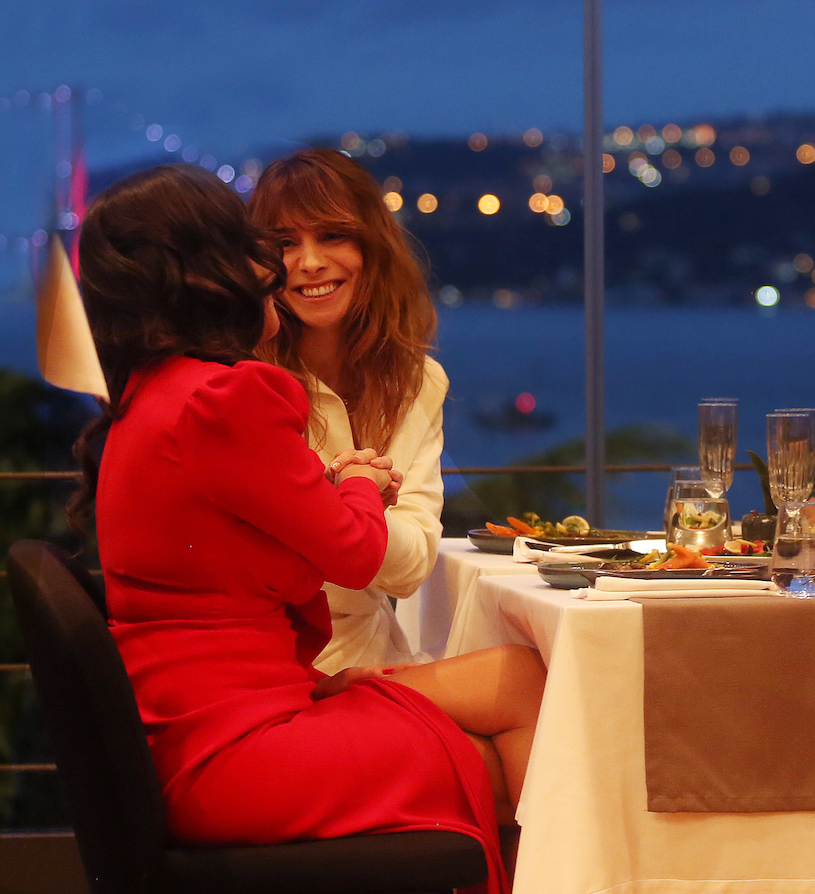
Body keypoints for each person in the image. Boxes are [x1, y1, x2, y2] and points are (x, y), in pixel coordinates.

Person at [74, 165, 544, 891]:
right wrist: (357, 480)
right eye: (261, 245)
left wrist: (336, 488)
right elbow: (356, 554)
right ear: (214, 273)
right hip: (240, 747)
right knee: (523, 764)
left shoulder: (149, 394)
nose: (281, 266)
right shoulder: (227, 397)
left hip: (196, 732)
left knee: (519, 679)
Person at [249, 148, 447, 672]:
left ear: (372, 245)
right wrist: (361, 494)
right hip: (275, 660)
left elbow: (410, 569)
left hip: (371, 653)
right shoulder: (244, 382)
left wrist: (347, 510)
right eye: (285, 244)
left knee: (527, 675)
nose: (310, 262)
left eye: (332, 235)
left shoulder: (418, 380)